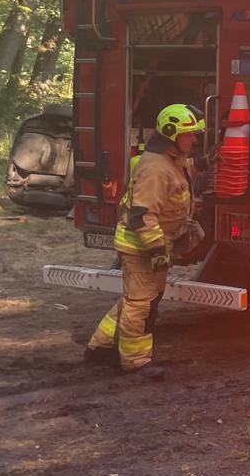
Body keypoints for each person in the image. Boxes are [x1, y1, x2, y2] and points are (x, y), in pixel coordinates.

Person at [83, 103, 206, 376]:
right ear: (171, 135)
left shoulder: (170, 160)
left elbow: (181, 175)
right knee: (141, 306)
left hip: (151, 245)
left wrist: (207, 163)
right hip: (142, 247)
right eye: (189, 135)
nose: (194, 140)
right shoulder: (154, 169)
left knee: (137, 299)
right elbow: (142, 216)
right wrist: (157, 251)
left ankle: (100, 347)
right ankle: (135, 362)